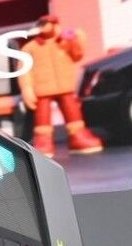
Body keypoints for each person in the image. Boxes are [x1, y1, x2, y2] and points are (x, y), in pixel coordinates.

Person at [19, 14, 104, 158]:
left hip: (65, 86)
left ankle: (78, 136)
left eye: (48, 24)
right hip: (42, 89)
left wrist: (79, 39)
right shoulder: (30, 47)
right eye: (42, 24)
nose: (44, 27)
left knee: (72, 110)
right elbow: (24, 69)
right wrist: (26, 88)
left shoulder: (64, 42)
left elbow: (77, 55)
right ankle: (43, 141)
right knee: (42, 115)